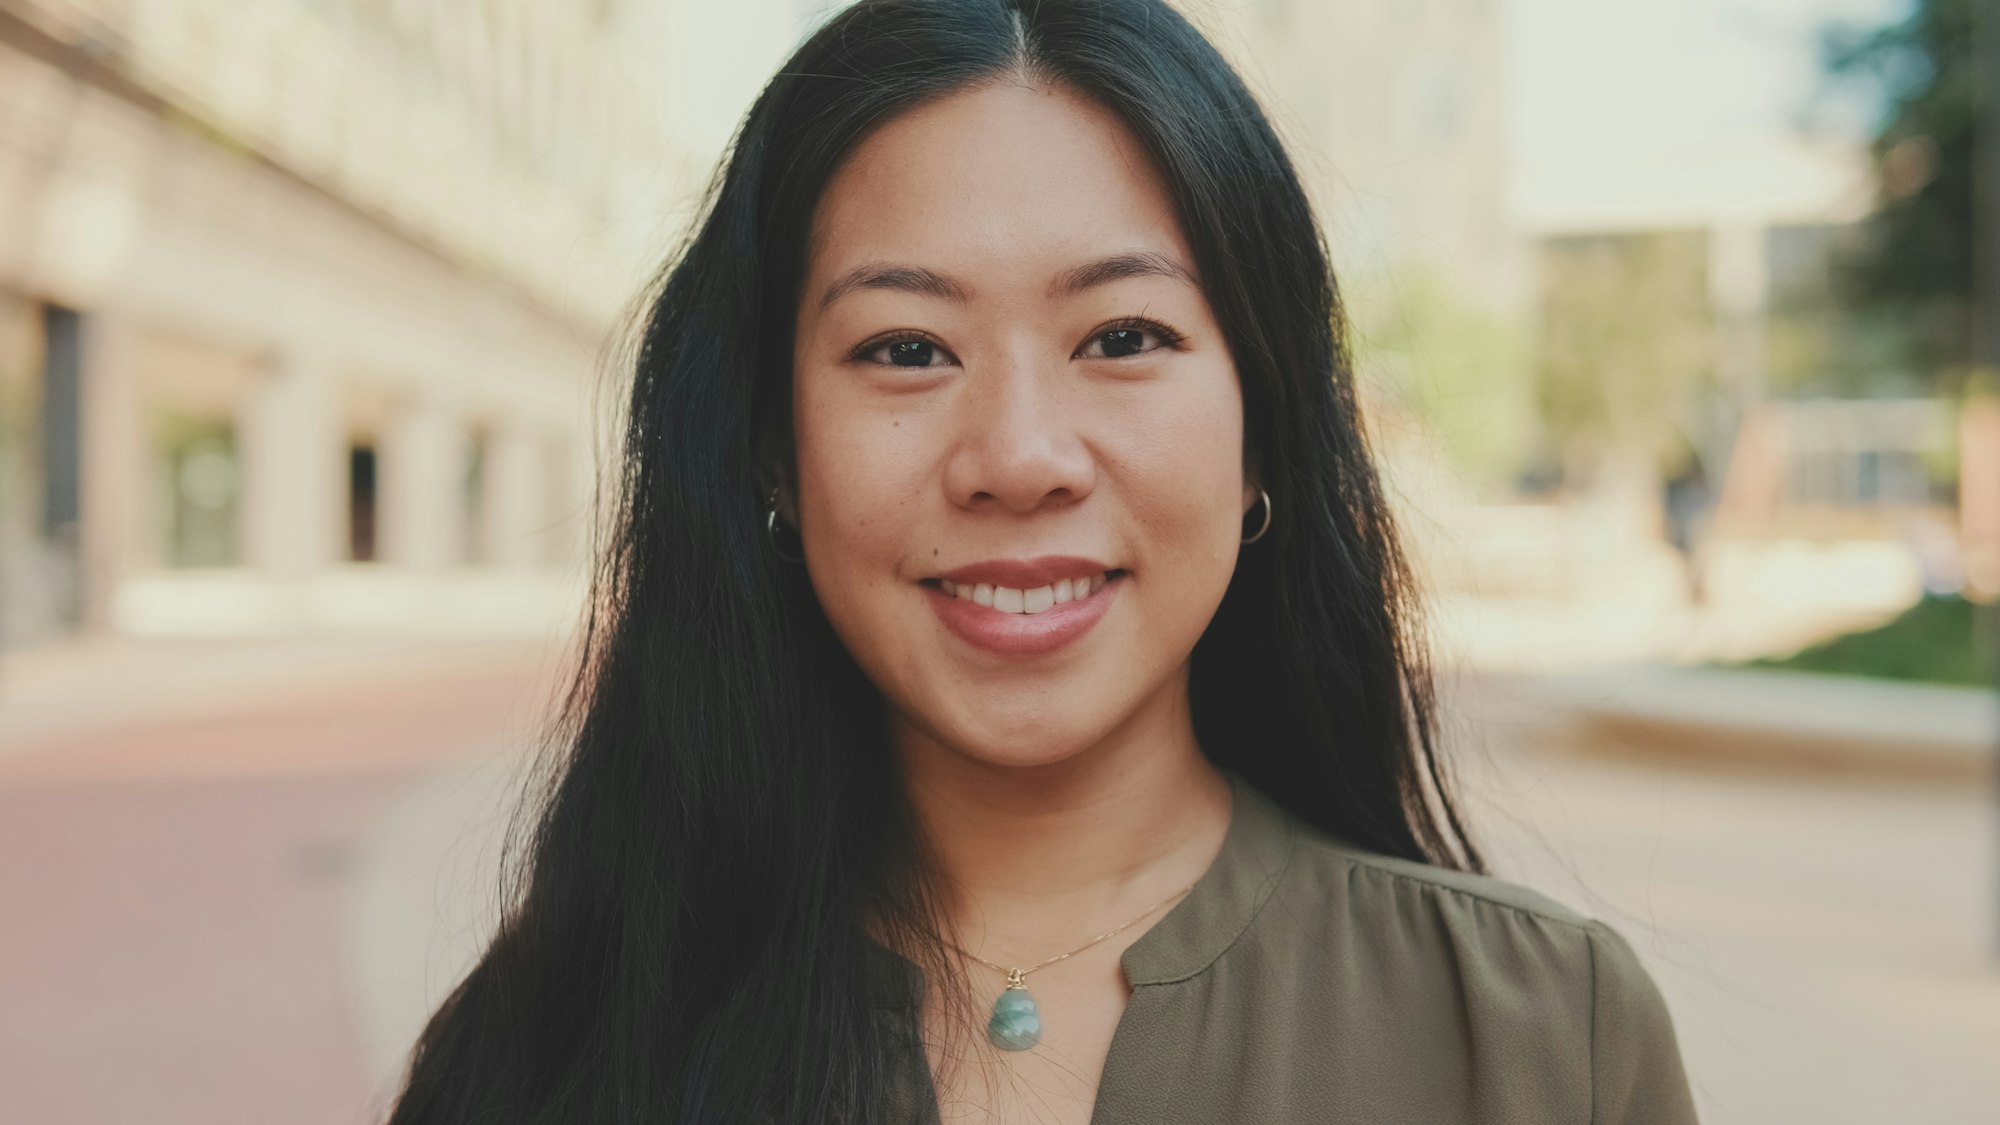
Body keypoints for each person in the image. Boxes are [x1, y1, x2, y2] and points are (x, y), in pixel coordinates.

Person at [385, 1, 1700, 1122]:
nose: (1018, 455)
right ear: (769, 451)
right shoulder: (542, 1052)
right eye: (906, 347)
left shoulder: (1537, 1037)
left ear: (1265, 434)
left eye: (1123, 335)